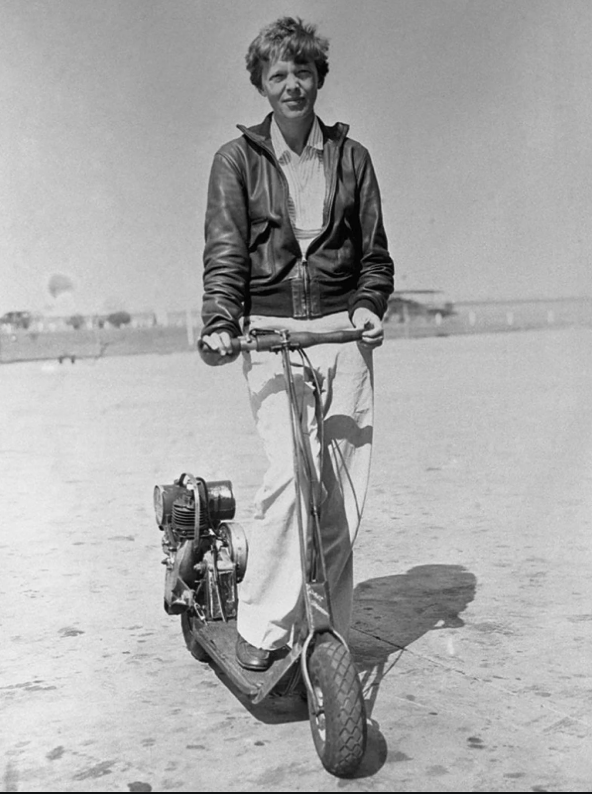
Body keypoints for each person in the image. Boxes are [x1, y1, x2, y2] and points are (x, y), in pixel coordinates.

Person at [200, 16, 394, 671]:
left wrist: (369, 305)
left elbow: (375, 257)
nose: (292, 84)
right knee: (289, 476)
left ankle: (329, 634)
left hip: (344, 339)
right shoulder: (236, 162)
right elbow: (226, 255)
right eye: (278, 73)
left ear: (319, 78)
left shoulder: (352, 159)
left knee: (340, 501)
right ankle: (260, 622)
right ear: (261, 82)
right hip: (272, 337)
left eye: (302, 71)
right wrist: (222, 319)